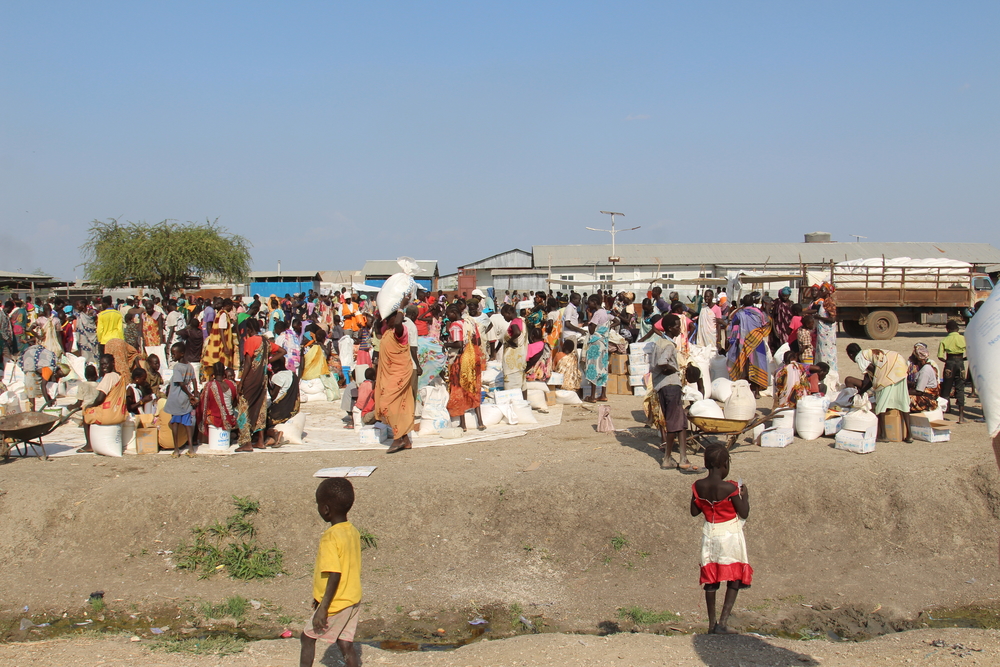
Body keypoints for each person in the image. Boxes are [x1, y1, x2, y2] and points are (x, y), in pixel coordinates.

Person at [690, 445, 752, 635]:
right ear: (725, 464)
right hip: (730, 535)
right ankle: (723, 622)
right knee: (734, 576)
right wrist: (745, 496)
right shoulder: (731, 487)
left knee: (712, 578)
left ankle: (711, 625)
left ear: (706, 463)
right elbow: (744, 512)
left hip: (710, 533)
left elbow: (694, 512)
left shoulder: (697, 486)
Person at [300, 478, 362, 667]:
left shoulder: (330, 537)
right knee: (344, 642)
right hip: (352, 600)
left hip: (336, 603)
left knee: (307, 638)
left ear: (325, 509)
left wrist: (323, 608)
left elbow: (334, 574)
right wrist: (319, 598)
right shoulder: (352, 531)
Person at [652, 314, 695, 471]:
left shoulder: (659, 342)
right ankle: (668, 459)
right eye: (677, 326)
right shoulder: (669, 345)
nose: (679, 329)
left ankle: (683, 457)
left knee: (680, 423)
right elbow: (662, 362)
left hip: (662, 387)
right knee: (674, 423)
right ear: (670, 328)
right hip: (671, 386)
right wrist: (674, 369)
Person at [235, 318, 286, 451]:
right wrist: (267, 362)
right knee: (260, 407)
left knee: (244, 408)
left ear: (249, 329)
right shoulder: (266, 341)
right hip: (262, 379)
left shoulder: (249, 341)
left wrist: (241, 381)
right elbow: (282, 352)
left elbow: (247, 363)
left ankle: (246, 442)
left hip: (251, 378)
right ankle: (260, 441)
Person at [845, 343, 912, 443]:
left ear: (851, 355)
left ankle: (883, 435)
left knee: (881, 405)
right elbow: (872, 378)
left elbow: (875, 373)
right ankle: (909, 435)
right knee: (903, 401)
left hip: (888, 369)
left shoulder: (860, 357)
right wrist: (861, 392)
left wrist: (866, 390)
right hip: (899, 365)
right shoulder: (868, 353)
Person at [374, 310, 415, 454]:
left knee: (387, 404)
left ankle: (398, 439)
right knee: (398, 406)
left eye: (389, 318)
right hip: (389, 374)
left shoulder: (401, 330)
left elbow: (397, 322)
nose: (386, 321)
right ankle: (405, 440)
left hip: (399, 373)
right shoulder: (387, 331)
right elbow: (377, 328)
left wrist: (402, 308)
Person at [444, 305, 486, 432]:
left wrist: (446, 344)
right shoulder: (470, 322)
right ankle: (480, 421)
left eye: (448, 314)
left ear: (453, 312)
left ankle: (463, 423)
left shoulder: (455, 326)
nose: (447, 317)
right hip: (472, 359)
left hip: (460, 360)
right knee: (474, 387)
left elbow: (458, 343)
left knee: (459, 388)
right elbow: (477, 340)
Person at [79, 353, 124, 453]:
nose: (104, 367)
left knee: (86, 412)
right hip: (118, 411)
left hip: (109, 413)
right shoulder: (118, 376)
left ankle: (89, 445)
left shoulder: (109, 377)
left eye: (106, 364)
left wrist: (90, 406)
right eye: (102, 365)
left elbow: (100, 398)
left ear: (112, 363)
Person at [725, 295, 771, 394]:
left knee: (746, 365)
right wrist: (760, 333)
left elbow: (731, 326)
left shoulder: (739, 313)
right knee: (758, 363)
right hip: (757, 341)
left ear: (743, 303)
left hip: (744, 343)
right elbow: (767, 323)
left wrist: (730, 340)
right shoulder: (759, 312)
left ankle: (746, 389)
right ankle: (757, 390)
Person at [165, 342, 199, 457]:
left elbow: (180, 383)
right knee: (187, 424)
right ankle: (191, 449)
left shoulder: (177, 367)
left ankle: (176, 450)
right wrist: (194, 394)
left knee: (175, 423)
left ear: (182, 353)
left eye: (174, 354)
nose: (172, 356)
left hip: (176, 398)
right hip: (185, 400)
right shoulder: (189, 366)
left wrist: (190, 395)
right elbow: (194, 380)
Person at [583, 294, 618, 403]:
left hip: (596, 343)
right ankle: (603, 394)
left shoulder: (596, 314)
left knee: (593, 366)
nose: (588, 304)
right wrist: (607, 329)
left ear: (594, 302)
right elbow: (617, 320)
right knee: (603, 366)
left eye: (589, 302)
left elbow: (592, 330)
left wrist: (589, 317)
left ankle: (592, 396)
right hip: (604, 343)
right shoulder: (605, 312)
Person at [16, 344, 69, 411]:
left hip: (39, 363)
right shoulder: (49, 369)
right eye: (60, 375)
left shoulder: (56, 371)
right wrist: (49, 405)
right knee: (31, 387)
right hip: (30, 362)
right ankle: (32, 410)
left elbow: (51, 388)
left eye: (63, 376)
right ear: (59, 370)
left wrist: (51, 399)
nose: (60, 377)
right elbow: (43, 385)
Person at [197, 361, 237, 444]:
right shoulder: (232, 384)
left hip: (217, 419)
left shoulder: (209, 385)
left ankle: (203, 438)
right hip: (231, 418)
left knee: (202, 414)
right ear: (224, 372)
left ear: (213, 373)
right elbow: (235, 403)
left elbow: (203, 405)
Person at [265, 356, 300, 447]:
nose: (272, 368)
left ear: (277, 366)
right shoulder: (292, 374)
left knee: (260, 423)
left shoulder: (278, 376)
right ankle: (272, 439)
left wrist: (268, 380)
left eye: (273, 366)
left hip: (279, 411)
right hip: (292, 408)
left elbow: (273, 396)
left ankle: (275, 434)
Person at [937, 320, 967, 423]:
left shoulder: (945, 340)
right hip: (960, 363)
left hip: (949, 363)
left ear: (947, 330)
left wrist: (947, 361)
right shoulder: (963, 339)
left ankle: (943, 414)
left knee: (946, 388)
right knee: (960, 388)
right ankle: (961, 416)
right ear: (958, 329)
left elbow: (940, 356)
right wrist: (964, 359)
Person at [810, 283, 839, 388]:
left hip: (827, 334)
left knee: (827, 355)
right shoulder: (823, 302)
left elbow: (832, 319)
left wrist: (819, 318)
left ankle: (828, 377)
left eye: (822, 290)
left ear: (828, 291)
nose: (820, 292)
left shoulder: (829, 302)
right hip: (822, 333)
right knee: (821, 353)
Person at [303, 329, 341, 402]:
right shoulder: (316, 343)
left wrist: (321, 345)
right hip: (324, 361)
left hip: (332, 360)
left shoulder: (328, 342)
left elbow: (327, 352)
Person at [501, 303, 528, 393]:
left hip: (513, 359)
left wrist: (509, 341)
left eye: (504, 315)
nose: (504, 318)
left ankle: (514, 403)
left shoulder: (514, 321)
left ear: (508, 313)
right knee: (522, 382)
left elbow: (517, 332)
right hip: (520, 356)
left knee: (513, 383)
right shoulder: (521, 320)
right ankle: (524, 403)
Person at [908, 342, 940, 414]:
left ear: (918, 358)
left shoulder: (925, 370)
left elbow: (919, 391)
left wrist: (904, 392)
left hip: (927, 400)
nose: (910, 358)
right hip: (927, 397)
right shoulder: (927, 367)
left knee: (903, 399)